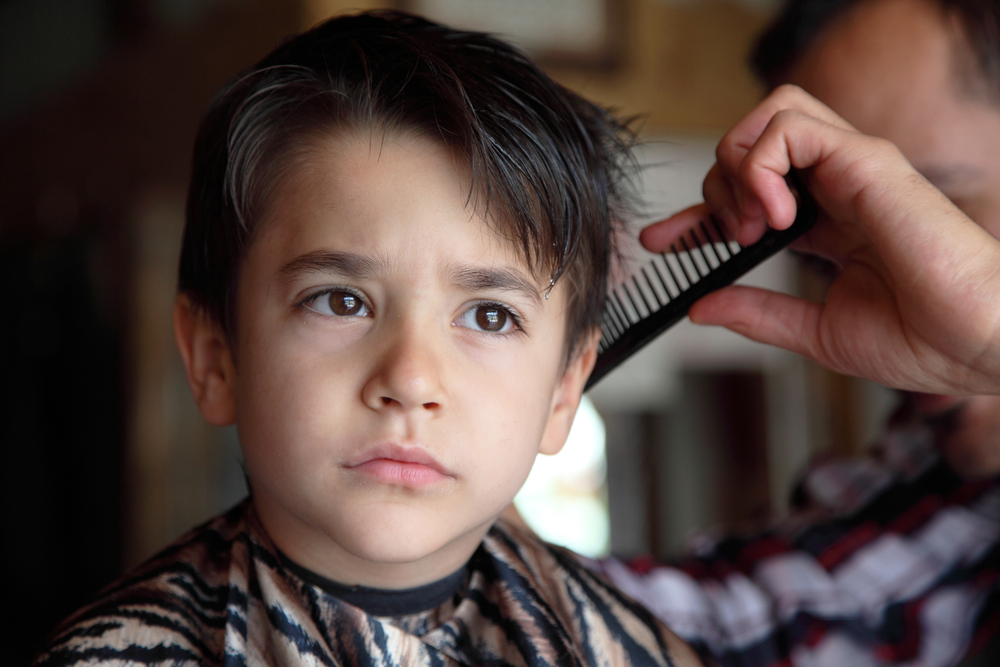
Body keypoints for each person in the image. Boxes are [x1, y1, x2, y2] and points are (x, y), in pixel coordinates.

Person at [33, 11, 702, 667]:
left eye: (490, 315)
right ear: (215, 358)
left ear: (563, 391)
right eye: (341, 300)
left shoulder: (637, 651)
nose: (410, 378)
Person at [597, 0, 1000, 665]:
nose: (897, 284)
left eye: (937, 208)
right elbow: (730, 627)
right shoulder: (931, 469)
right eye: (825, 256)